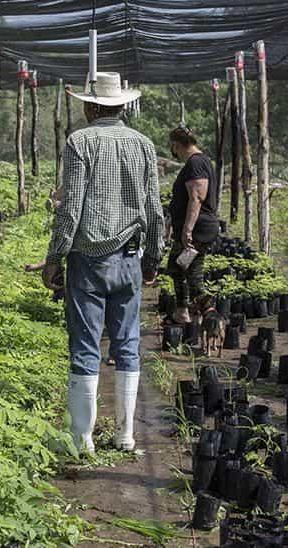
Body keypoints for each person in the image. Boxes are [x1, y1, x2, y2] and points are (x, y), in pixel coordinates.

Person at [42, 72, 163, 453]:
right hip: (129, 256)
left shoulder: (80, 141)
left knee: (85, 344)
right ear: (122, 105)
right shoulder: (143, 144)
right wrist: (154, 257)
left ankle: (82, 440)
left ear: (92, 106)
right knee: (127, 343)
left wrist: (54, 256)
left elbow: (71, 207)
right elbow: (155, 210)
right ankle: (126, 436)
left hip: (88, 261)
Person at [165, 126, 219, 325]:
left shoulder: (196, 163)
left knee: (192, 274)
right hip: (196, 228)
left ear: (176, 144)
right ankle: (185, 312)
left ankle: (210, 315)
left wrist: (187, 229)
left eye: (173, 147)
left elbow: (196, 197)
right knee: (178, 267)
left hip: (197, 229)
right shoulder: (198, 161)